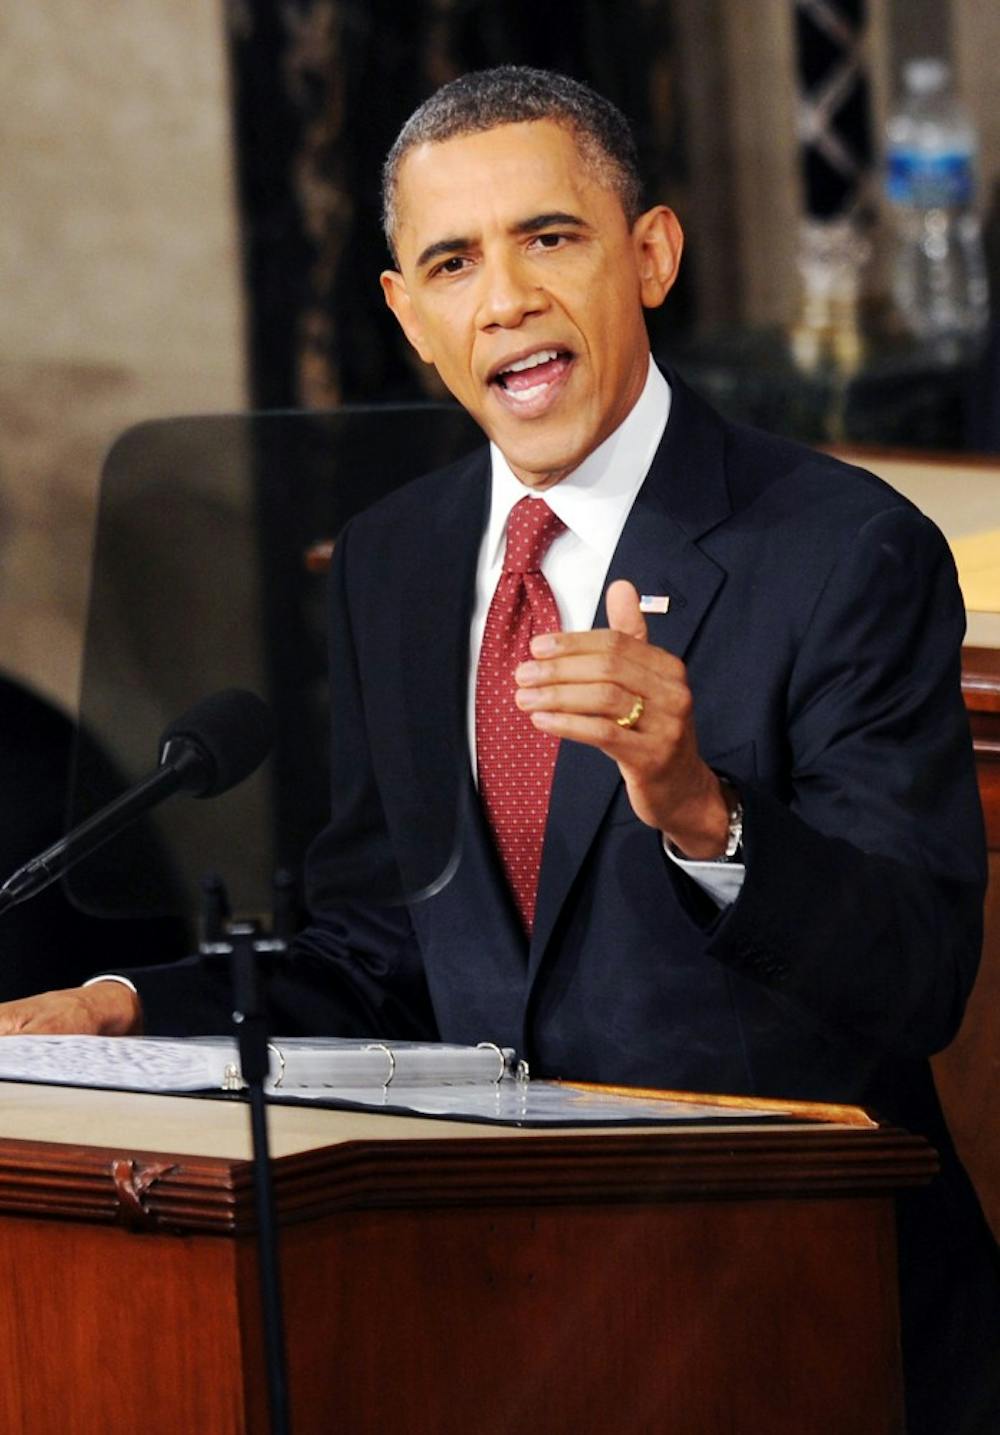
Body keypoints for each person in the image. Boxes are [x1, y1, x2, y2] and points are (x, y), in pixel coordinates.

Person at [0, 65, 997, 1433]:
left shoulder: (843, 552)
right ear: (409, 316)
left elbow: (920, 976)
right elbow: (381, 959)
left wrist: (701, 812)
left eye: (550, 237)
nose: (507, 298)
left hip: (802, 1310)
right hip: (499, 1311)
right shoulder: (394, 561)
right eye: (453, 262)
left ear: (651, 256)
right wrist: (124, 1011)